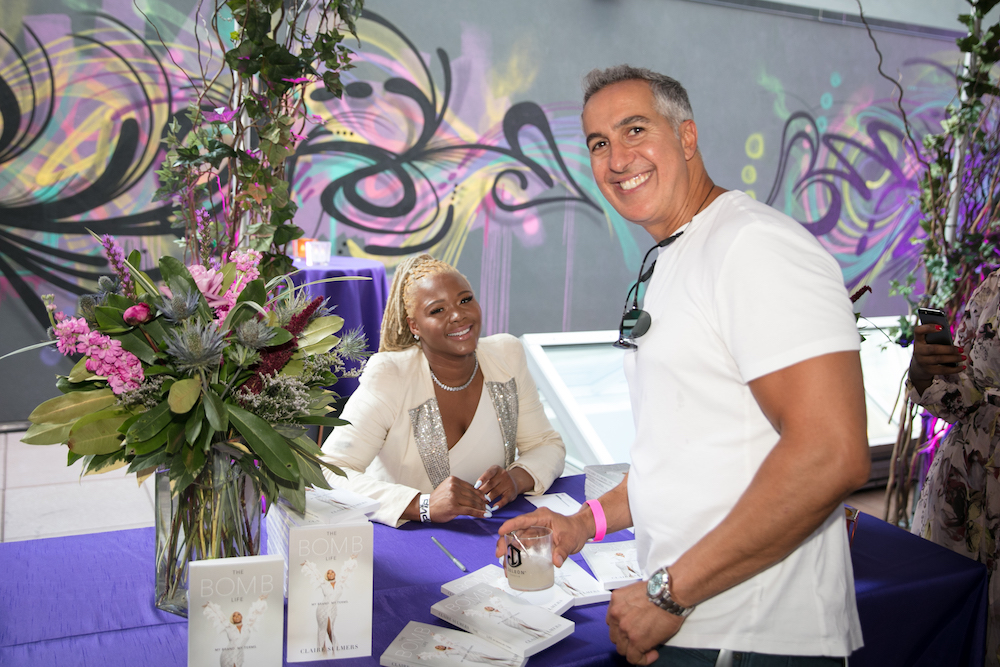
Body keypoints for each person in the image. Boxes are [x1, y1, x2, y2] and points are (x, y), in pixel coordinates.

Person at [497, 65, 870, 666]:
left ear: (686, 136)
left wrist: (669, 593)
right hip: (697, 622)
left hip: (749, 636)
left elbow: (832, 452)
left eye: (635, 130)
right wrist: (583, 524)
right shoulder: (676, 254)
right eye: (599, 143)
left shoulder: (752, 245)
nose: (618, 159)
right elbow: (681, 456)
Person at [321, 254, 565, 527]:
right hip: (408, 537)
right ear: (414, 325)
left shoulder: (506, 355)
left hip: (490, 530)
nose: (458, 315)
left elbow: (546, 444)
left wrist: (516, 479)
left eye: (465, 300)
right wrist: (422, 505)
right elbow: (327, 473)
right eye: (438, 310)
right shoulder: (391, 375)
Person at [908, 274, 1000, 667]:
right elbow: (961, 395)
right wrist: (923, 368)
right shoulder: (994, 287)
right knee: (949, 619)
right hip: (965, 480)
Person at [301, 555, 358, 655]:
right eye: (328, 572)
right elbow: (316, 573)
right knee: (324, 630)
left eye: (332, 572)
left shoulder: (340, 582)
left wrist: (351, 559)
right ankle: (323, 652)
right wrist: (307, 564)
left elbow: (346, 570)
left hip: (333, 609)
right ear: (326, 576)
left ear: (335, 574)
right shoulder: (324, 583)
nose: (330, 573)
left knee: (331, 630)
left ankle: (336, 652)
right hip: (322, 609)